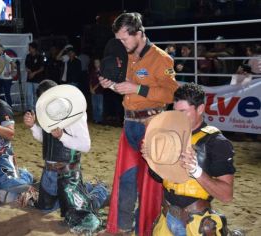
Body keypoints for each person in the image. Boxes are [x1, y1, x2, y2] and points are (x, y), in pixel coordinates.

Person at [99, 12, 179, 234]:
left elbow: (171, 94)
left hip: (153, 125)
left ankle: (146, 228)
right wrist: (111, 85)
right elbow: (125, 89)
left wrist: (137, 88)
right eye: (119, 40)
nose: (121, 44)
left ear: (139, 34)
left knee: (150, 184)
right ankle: (123, 227)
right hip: (130, 124)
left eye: (124, 39)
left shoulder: (161, 58)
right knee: (126, 179)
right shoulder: (124, 56)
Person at [23, 80, 109, 234]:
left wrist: (62, 135)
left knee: (77, 216)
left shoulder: (75, 115)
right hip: (49, 173)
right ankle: (83, 189)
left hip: (68, 174)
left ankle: (100, 191)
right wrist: (33, 127)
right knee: (43, 207)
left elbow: (85, 145)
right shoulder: (47, 113)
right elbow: (47, 140)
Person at [151, 83, 235, 235]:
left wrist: (196, 172)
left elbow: (226, 195)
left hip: (196, 221)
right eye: (175, 112)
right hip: (167, 216)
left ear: (200, 109)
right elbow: (157, 178)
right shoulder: (170, 135)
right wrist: (153, 160)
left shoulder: (216, 142)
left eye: (183, 112)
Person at [24, 42, 44, 111]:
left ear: (34, 48)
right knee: (29, 94)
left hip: (37, 79)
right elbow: (26, 66)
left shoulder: (40, 56)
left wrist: (34, 73)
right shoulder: (28, 56)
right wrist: (29, 72)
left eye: (30, 48)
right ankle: (30, 110)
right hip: (29, 78)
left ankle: (37, 109)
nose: (29, 49)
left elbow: (42, 68)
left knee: (36, 95)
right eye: (29, 48)